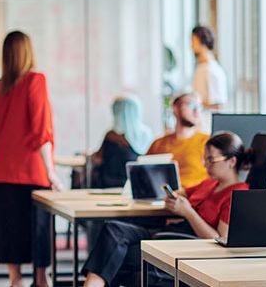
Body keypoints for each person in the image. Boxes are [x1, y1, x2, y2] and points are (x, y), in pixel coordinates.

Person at [81, 131, 251, 287]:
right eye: (205, 159)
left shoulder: (237, 194)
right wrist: (173, 195)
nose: (205, 165)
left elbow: (221, 239)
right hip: (171, 231)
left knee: (116, 255)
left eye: (211, 160)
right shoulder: (210, 184)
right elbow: (181, 192)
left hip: (185, 243)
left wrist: (188, 213)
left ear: (232, 161)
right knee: (113, 229)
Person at [0, 31, 63, 287]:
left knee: (9, 229)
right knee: (38, 229)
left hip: (2, 169)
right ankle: (41, 279)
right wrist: (51, 172)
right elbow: (41, 132)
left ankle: (15, 280)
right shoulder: (35, 80)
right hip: (30, 170)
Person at [147, 93, 209, 188]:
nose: (196, 111)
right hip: (163, 197)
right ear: (176, 108)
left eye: (199, 107)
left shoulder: (207, 142)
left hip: (195, 198)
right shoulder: (158, 144)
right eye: (191, 105)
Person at [90, 95, 154, 188]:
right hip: (137, 186)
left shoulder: (111, 136)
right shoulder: (147, 134)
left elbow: (98, 159)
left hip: (110, 186)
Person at [191, 25, 227, 112]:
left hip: (207, 122)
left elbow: (218, 105)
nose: (191, 46)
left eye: (193, 41)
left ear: (202, 42)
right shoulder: (200, 68)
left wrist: (194, 103)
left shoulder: (212, 70)